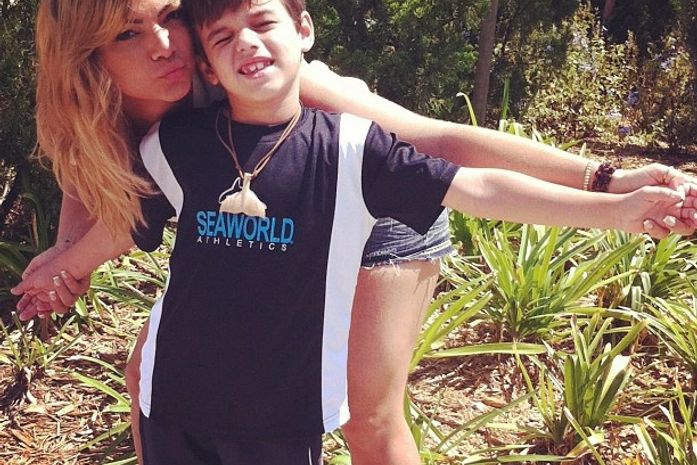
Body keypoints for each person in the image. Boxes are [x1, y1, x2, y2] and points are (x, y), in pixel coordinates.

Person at [12, 1, 697, 465]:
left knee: (366, 414)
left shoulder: (258, 79)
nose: (165, 43)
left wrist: (605, 180)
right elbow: (92, 190)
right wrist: (64, 267)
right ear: (86, 56)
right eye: (127, 33)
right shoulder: (98, 113)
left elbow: (438, 143)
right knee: (149, 374)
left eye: (167, 15)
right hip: (257, 235)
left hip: (376, 216)